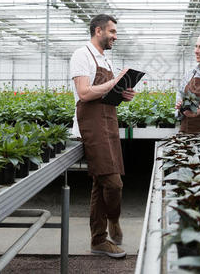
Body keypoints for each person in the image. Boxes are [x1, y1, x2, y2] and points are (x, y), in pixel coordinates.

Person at [69, 14, 135, 259]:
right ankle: (114, 220)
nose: (115, 37)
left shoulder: (105, 60)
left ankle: (98, 240)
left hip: (109, 122)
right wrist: (113, 83)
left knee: (100, 182)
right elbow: (84, 93)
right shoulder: (82, 55)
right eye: (112, 32)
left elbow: (107, 94)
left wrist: (122, 93)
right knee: (113, 183)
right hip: (92, 125)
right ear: (99, 31)